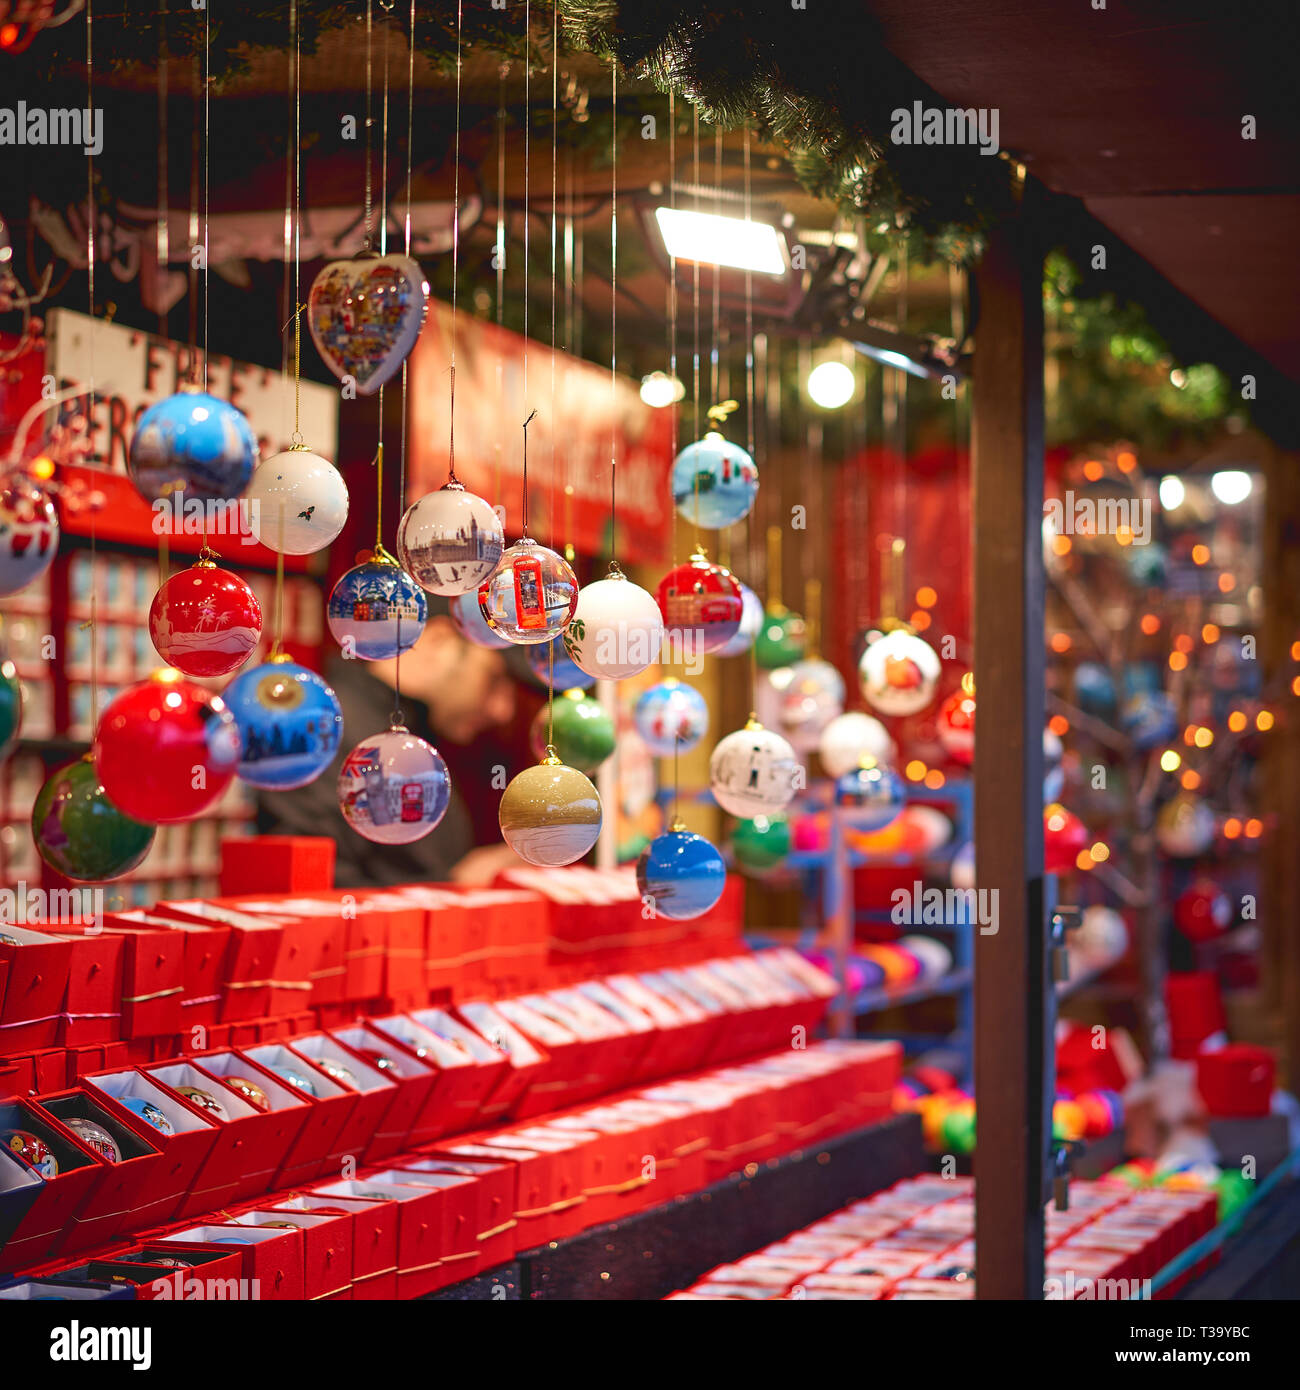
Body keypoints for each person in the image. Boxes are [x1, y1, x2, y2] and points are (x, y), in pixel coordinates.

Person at [255, 613, 525, 887]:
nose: (504, 711)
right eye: (494, 679)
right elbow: (311, 894)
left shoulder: (423, 734)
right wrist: (455, 888)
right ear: (438, 641)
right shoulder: (322, 727)